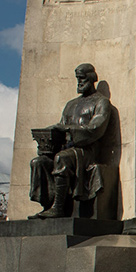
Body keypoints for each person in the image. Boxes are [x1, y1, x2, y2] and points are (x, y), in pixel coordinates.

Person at [30, 63, 112, 219]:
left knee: (62, 158)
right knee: (38, 162)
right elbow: (61, 124)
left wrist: (69, 130)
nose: (79, 83)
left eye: (82, 79)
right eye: (78, 79)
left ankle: (58, 208)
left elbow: (96, 127)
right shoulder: (71, 104)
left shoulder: (101, 102)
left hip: (86, 151)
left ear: (92, 79)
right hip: (67, 149)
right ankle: (48, 204)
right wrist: (50, 132)